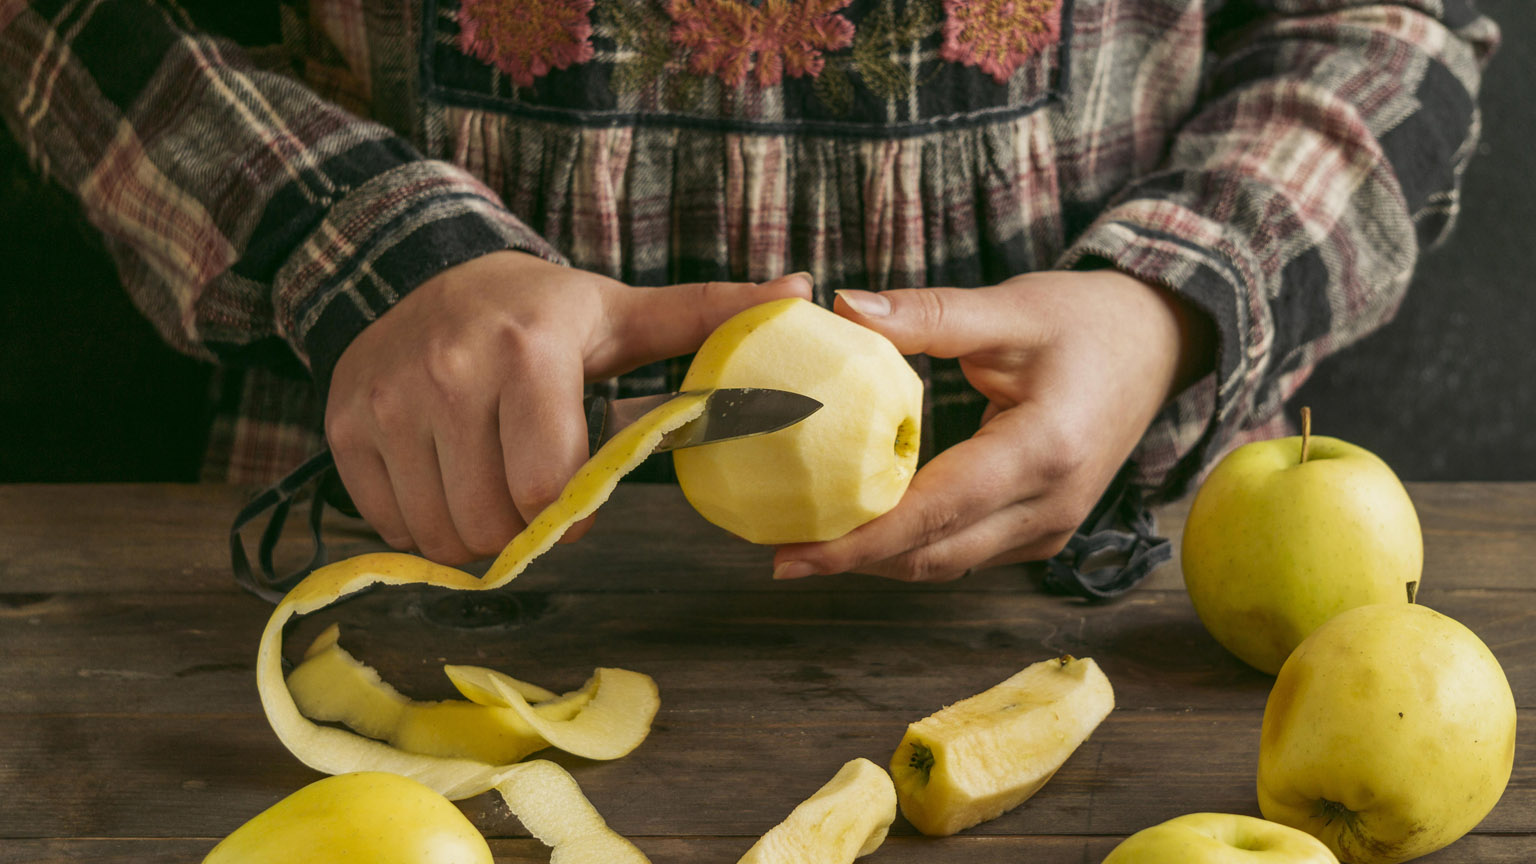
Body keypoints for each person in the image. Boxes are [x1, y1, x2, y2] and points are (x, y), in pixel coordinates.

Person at [0, 0, 1499, 592]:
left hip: (1097, 583)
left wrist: (1168, 304)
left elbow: (1386, 21)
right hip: (398, 540)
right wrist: (368, 246)